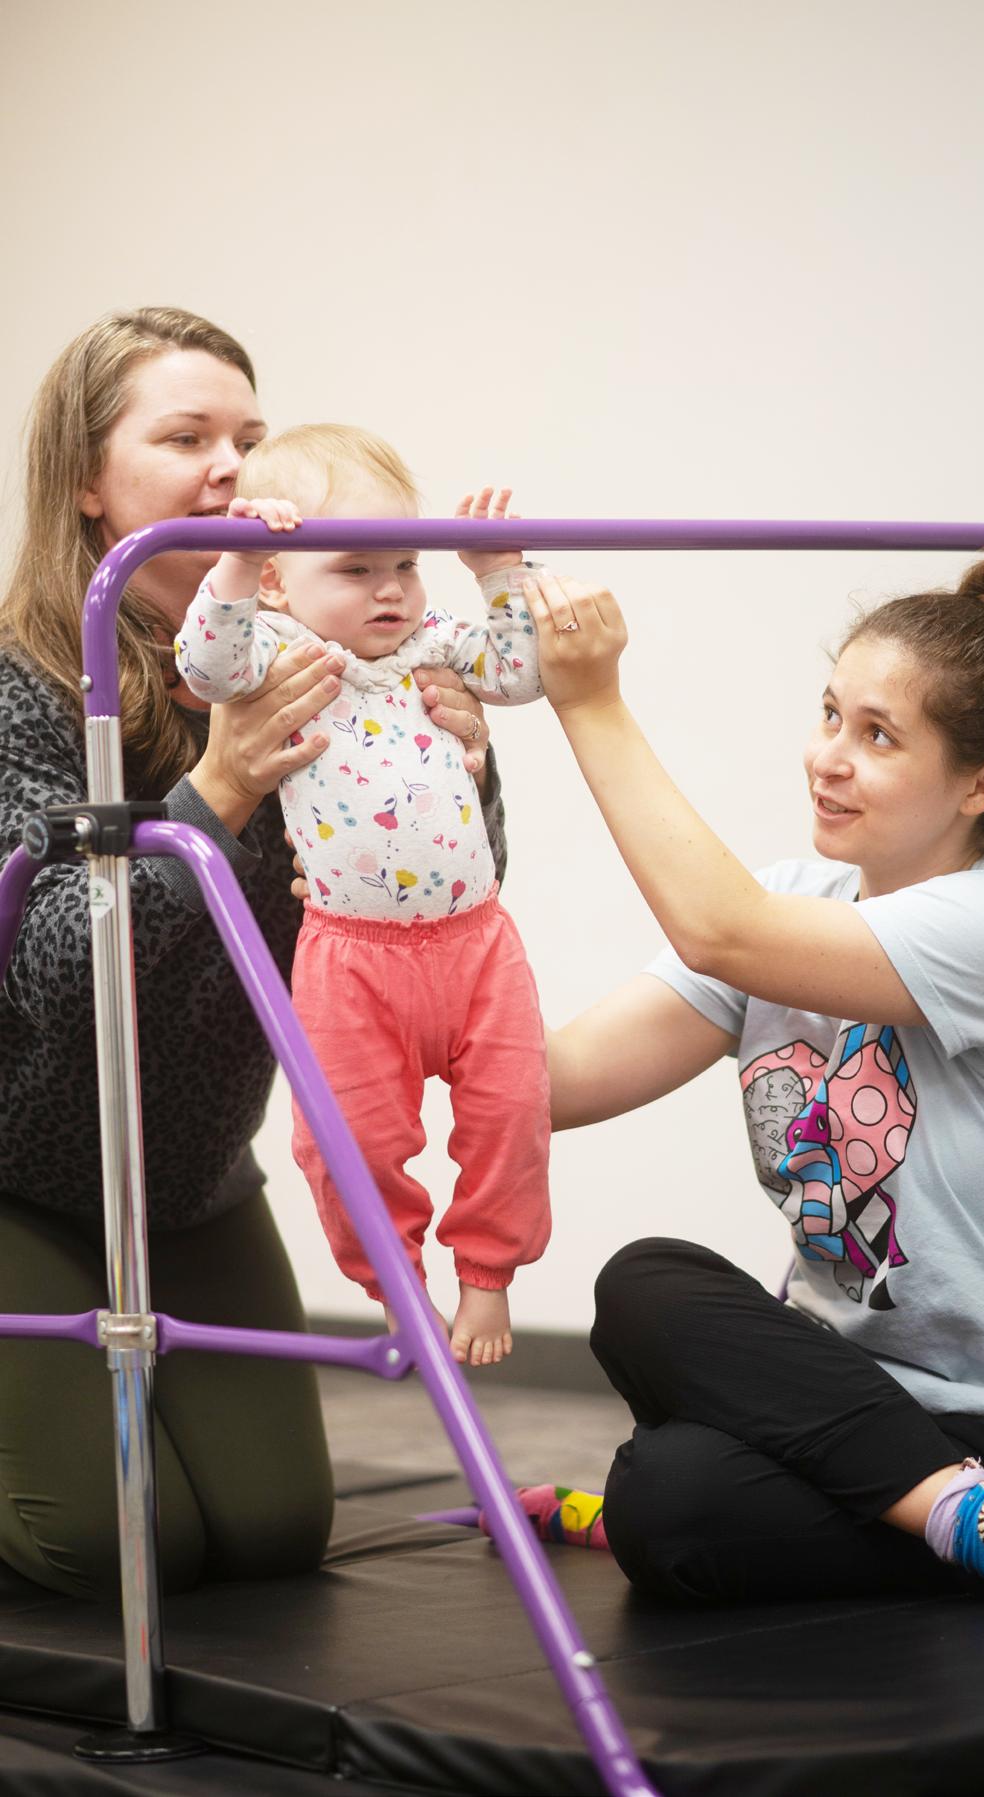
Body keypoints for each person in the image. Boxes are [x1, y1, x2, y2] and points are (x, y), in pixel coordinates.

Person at [0, 308, 500, 1599]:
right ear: (87, 484)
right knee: (110, 1544)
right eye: (186, 438)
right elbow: (58, 977)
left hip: (194, 1177)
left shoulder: (330, 654)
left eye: (249, 436)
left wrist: (465, 766)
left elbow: (434, 897)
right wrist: (215, 793)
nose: (230, 467)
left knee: (272, 1532)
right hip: (21, 1179)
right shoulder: (24, 687)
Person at [504, 559, 984, 1602]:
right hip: (845, 1388)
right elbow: (552, 1083)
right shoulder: (792, 900)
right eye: (830, 714)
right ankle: (949, 1515)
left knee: (669, 1493)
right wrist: (389, 930)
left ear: (982, 783)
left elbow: (721, 929)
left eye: (878, 736)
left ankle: (953, 1506)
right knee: (660, 1416)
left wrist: (588, 700)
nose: (828, 758)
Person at [174, 424, 551, 1366]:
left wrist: (498, 573)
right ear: (278, 581)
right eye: (355, 568)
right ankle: (396, 1284)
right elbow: (203, 668)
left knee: (511, 1114)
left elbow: (521, 673)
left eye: (405, 563)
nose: (390, 589)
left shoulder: (432, 638)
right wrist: (233, 562)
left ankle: (487, 1275)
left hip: (477, 943)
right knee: (347, 1141)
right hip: (351, 957)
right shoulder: (274, 648)